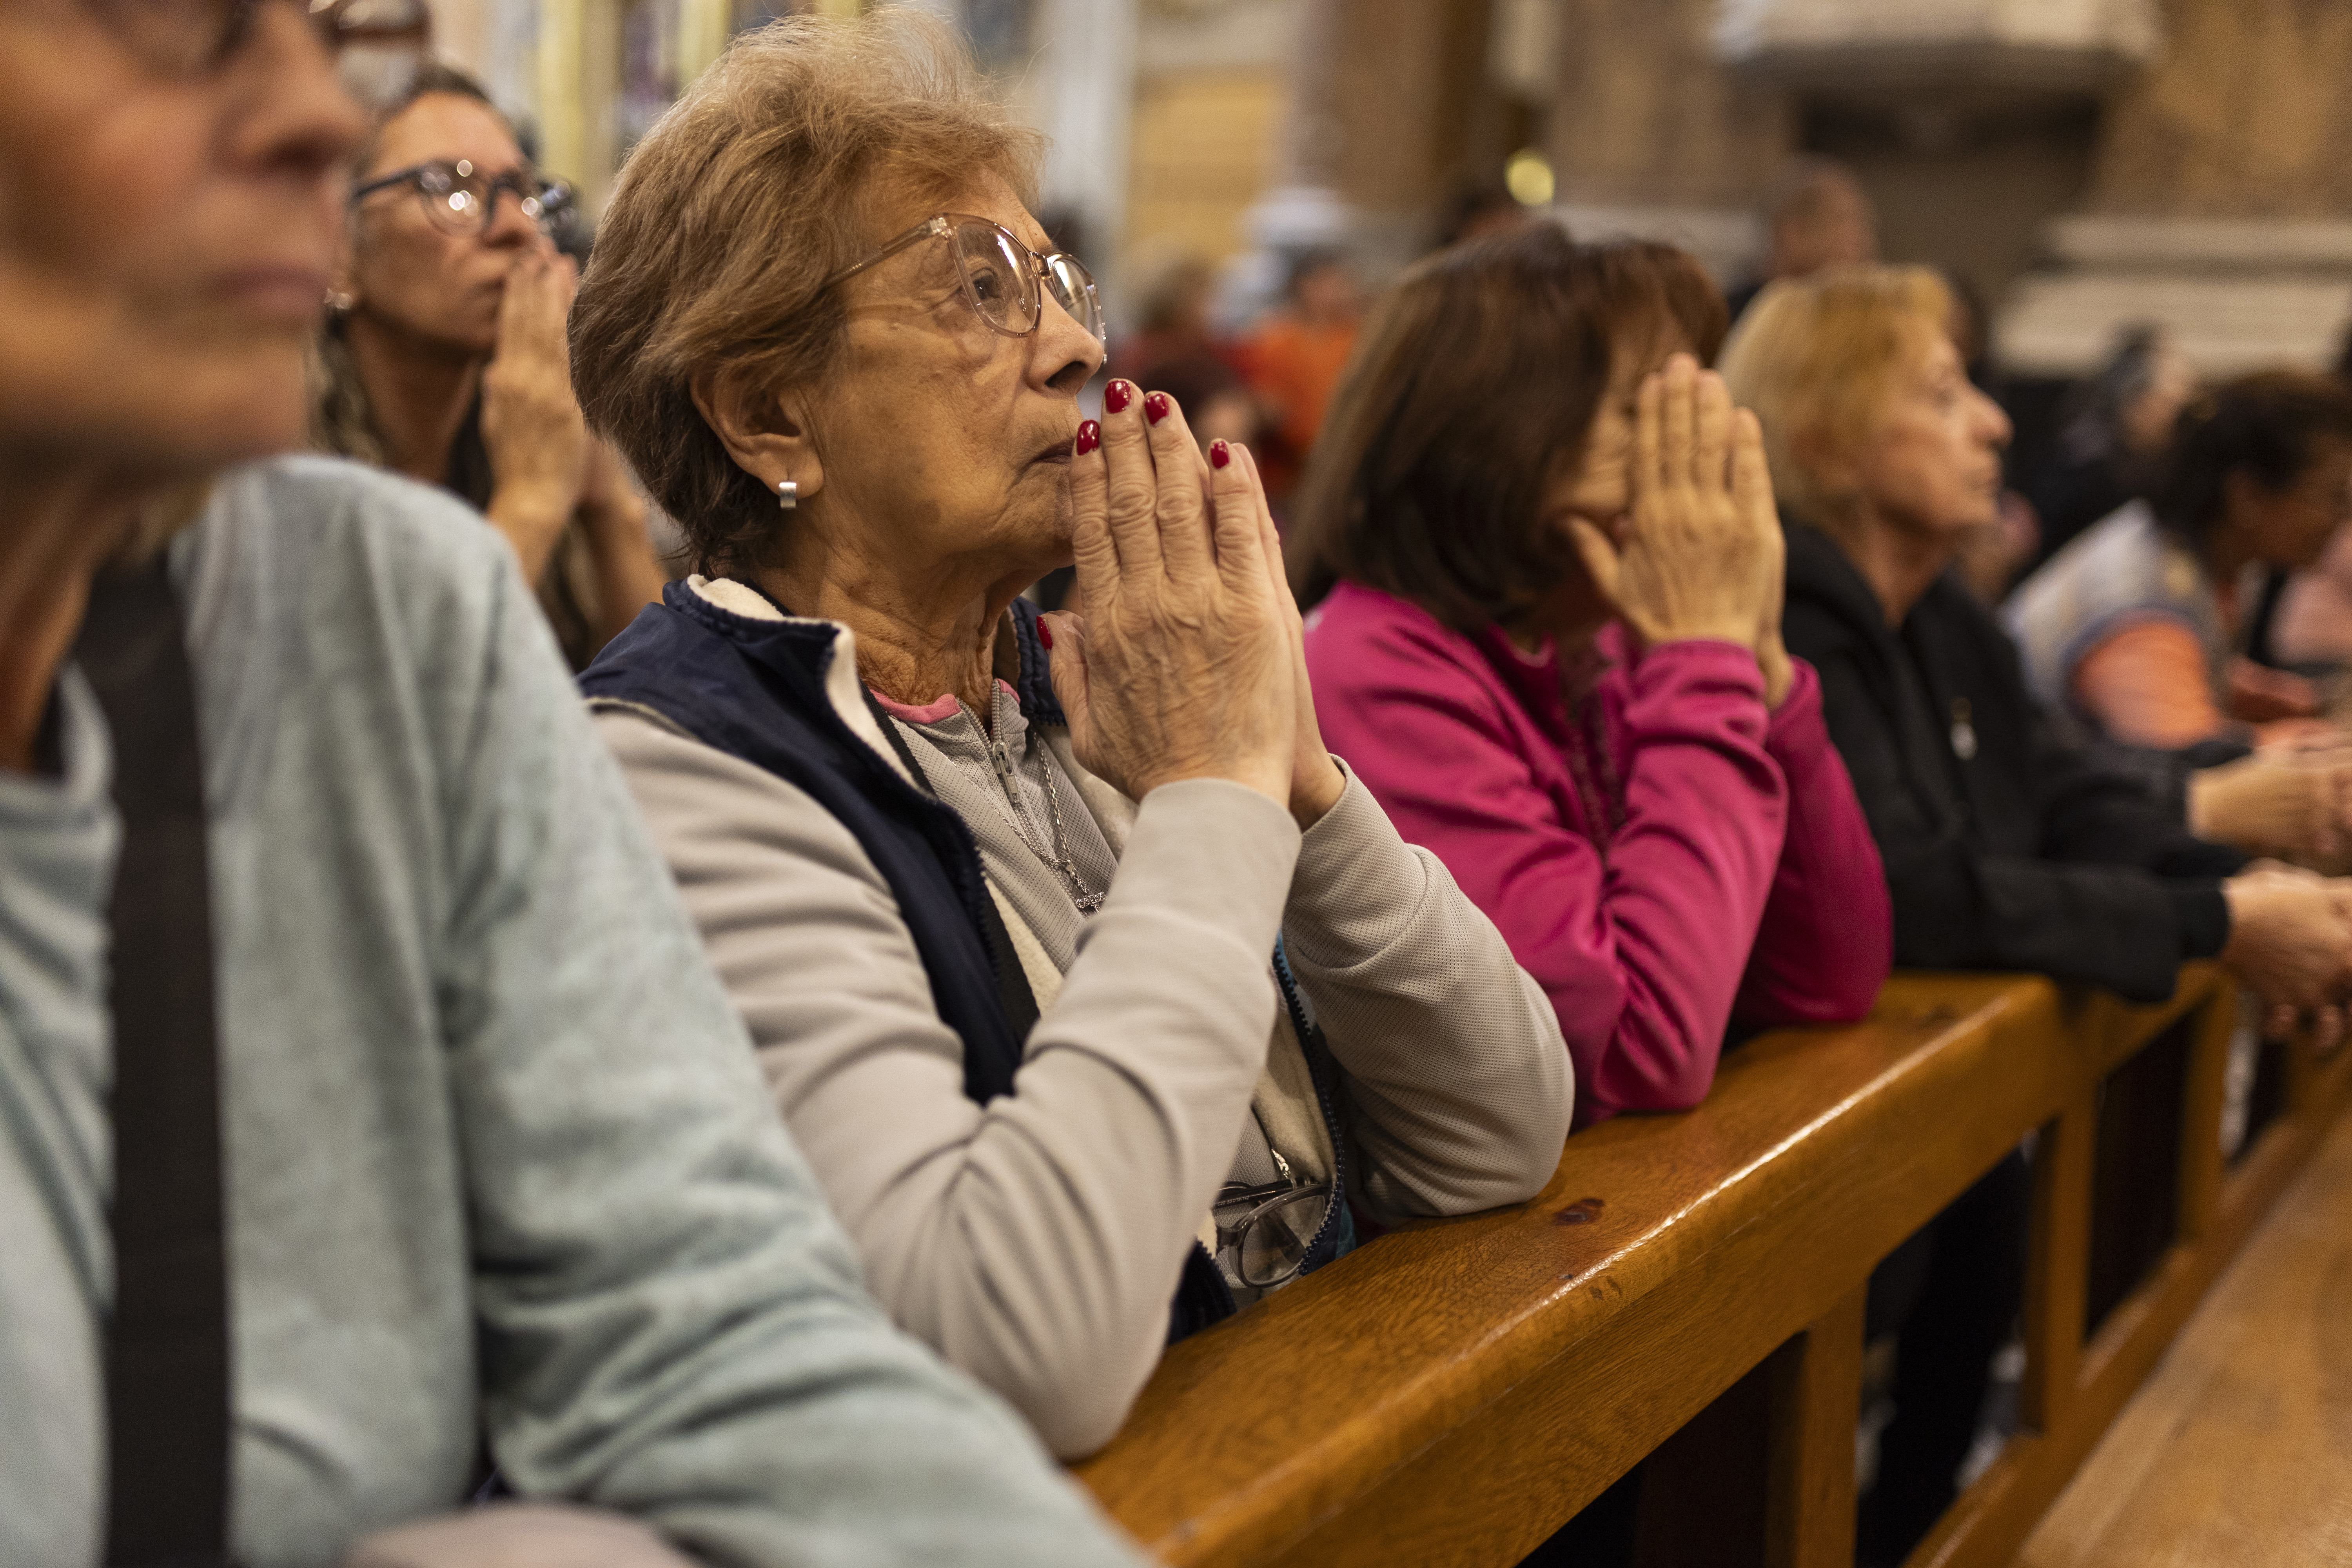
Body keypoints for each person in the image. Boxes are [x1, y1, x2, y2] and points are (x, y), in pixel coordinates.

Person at [0, 1, 1150, 1563]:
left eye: (313, 30)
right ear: (760, 413)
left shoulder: (383, 597)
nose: (319, 119)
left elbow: (704, 1329)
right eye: (183, 29)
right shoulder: (643, 711)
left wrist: (1262, 794)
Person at [569, 11, 1571, 1462]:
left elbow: (1497, 1134)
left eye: (1055, 278)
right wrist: (1214, 794)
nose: (1079, 345)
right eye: (979, 288)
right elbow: (1015, 1340)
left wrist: (1292, 784)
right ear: (764, 409)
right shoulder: (680, 770)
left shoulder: (1091, 677)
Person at [1720, 267, 2352, 1559]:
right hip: (1778, 1156)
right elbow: (1916, 891)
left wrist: (2236, 894)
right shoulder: (1782, 627)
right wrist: (2214, 926)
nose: (1997, 424)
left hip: (1932, 1131)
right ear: (1830, 436)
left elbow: (2066, 802)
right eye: (1943, 394)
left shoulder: (1944, 614)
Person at [1290, 228, 1891, 1129]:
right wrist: (1703, 660)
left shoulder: (1597, 642)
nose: (1696, 451)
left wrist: (1757, 660)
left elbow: (1828, 975)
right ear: (1500, 435)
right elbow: (1633, 1054)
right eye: (1648, 413)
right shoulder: (1375, 664)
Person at [316, 64, 667, 668]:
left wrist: (606, 500)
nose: (513, 228)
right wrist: (530, 499)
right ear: (337, 253)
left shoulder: (520, 416)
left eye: (524, 194)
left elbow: (672, 709)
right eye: (451, 190)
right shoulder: (278, 479)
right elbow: (390, 738)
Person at [2006, 371, 2352, 753]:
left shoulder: (2199, 554)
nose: (2343, 518)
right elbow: (2182, 763)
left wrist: (2290, 699)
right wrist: (2321, 742)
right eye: (2333, 497)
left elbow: (2190, 666)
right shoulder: (2147, 605)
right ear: (2247, 495)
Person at [2023, 324, 2198, 572]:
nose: (2182, 422)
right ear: (2135, 403)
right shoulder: (2081, 471)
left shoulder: (2162, 468)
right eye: (2172, 405)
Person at [1235, 247, 1365, 500]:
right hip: (1288, 471)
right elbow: (1263, 400)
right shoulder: (1274, 338)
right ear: (1303, 286)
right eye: (1326, 283)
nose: (1336, 291)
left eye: (1340, 283)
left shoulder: (1355, 336)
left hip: (1344, 463)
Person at [1723, 156, 1879, 323]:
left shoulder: (1866, 318)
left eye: (1861, 224)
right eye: (1841, 221)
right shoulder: (1735, 320)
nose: (1860, 242)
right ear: (1793, 233)